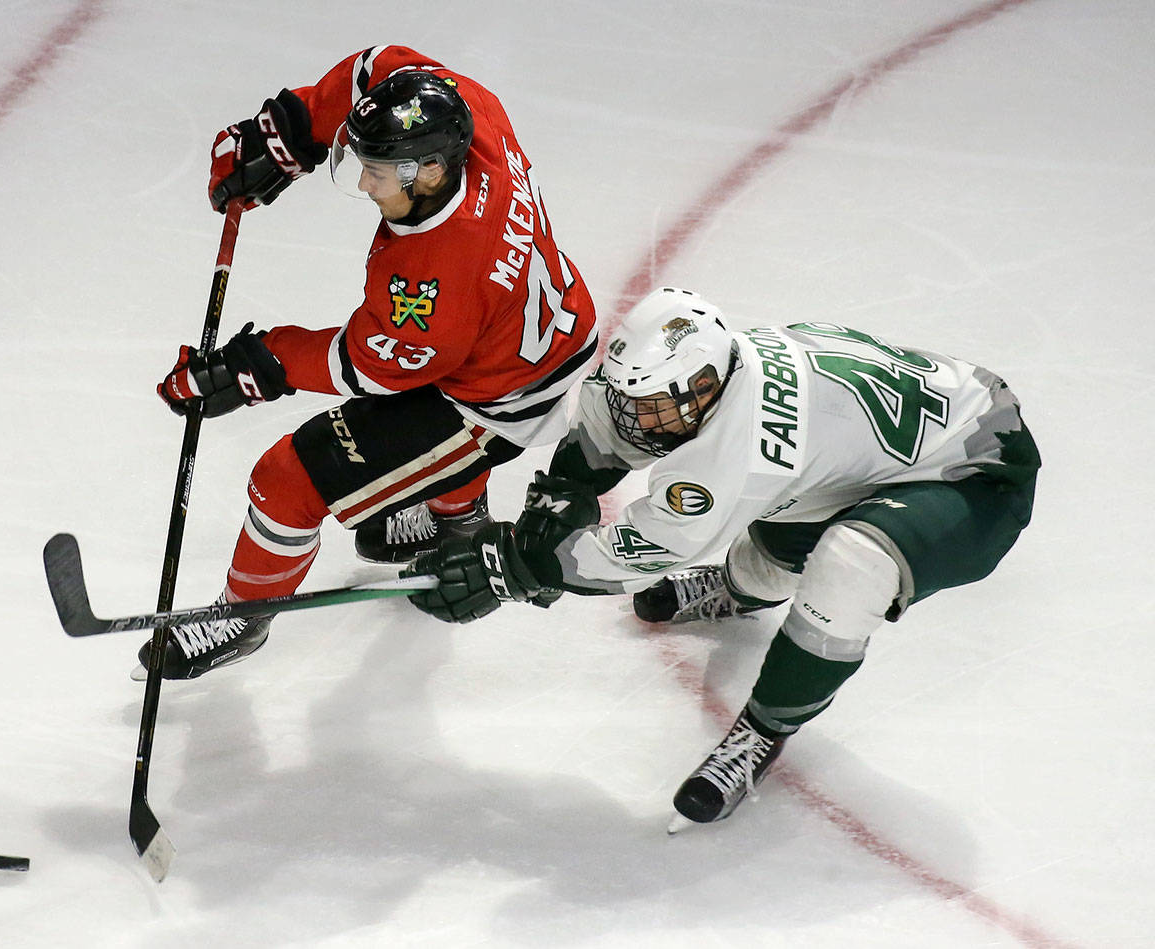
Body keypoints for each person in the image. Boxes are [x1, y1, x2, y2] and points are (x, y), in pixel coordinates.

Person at [405, 286, 1040, 830]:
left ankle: (765, 728)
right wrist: (555, 502)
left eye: (651, 406)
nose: (638, 417)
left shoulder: (743, 444)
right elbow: (608, 425)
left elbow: (644, 549)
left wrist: (521, 567)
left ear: (704, 386)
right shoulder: (696, 376)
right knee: (787, 513)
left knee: (851, 562)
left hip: (980, 471)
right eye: (633, 397)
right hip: (891, 447)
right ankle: (743, 588)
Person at [143, 46, 598, 679]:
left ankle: (243, 616)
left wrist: (256, 365)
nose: (361, 183)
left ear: (430, 171)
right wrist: (290, 133)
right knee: (431, 405)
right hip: (526, 339)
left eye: (376, 171)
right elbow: (382, 65)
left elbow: (370, 369)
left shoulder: (435, 275)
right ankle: (457, 523)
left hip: (495, 402)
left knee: (286, 480)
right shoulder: (472, 114)